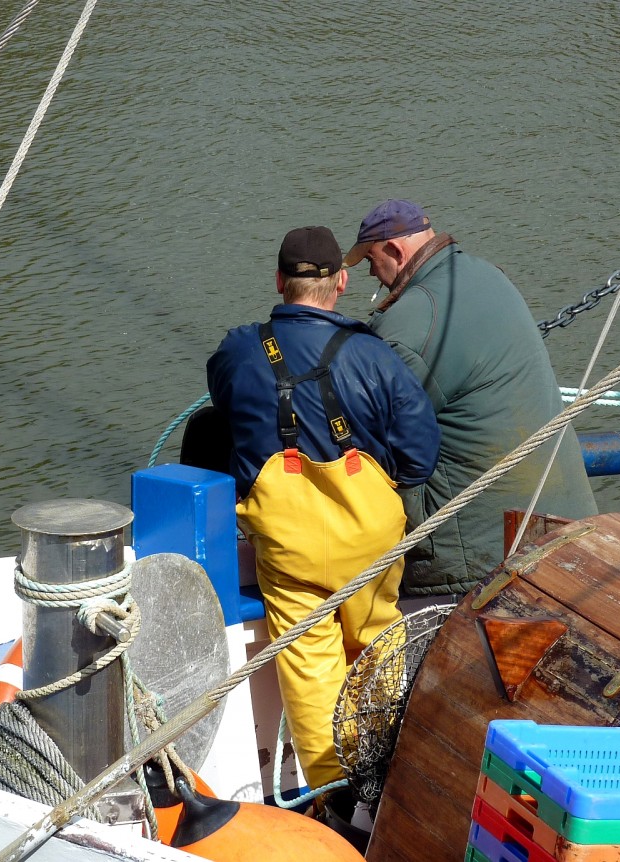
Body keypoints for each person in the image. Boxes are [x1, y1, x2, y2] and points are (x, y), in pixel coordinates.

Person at [206, 225, 440, 791]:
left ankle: (334, 798)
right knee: (379, 648)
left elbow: (223, 405)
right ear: (340, 282)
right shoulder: (372, 352)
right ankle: (385, 774)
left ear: (280, 282)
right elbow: (419, 457)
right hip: (370, 543)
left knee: (310, 674)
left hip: (291, 547)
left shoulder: (240, 348)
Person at [341, 199, 598, 597]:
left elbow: (364, 434)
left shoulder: (408, 323)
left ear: (394, 251)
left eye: (371, 261)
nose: (371, 273)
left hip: (477, 557)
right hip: (565, 524)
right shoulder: (486, 274)